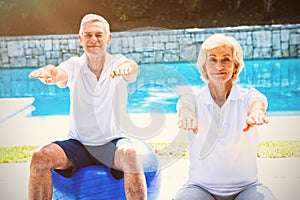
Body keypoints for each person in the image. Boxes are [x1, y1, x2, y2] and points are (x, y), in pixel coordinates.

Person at [28, 14, 147, 200]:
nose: (93, 40)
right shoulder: (74, 65)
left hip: (112, 143)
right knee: (40, 157)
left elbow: (132, 67)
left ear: (109, 38)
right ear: (80, 39)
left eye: (99, 35)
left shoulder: (117, 62)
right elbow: (58, 72)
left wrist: (128, 68)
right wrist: (48, 73)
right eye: (88, 35)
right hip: (79, 145)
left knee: (130, 156)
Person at [175, 34, 276, 200]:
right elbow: (185, 105)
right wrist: (187, 114)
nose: (219, 66)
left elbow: (258, 101)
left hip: (247, 188)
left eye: (226, 59)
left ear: (235, 66)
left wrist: (256, 112)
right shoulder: (193, 99)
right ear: (204, 66)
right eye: (212, 59)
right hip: (200, 188)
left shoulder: (246, 97)